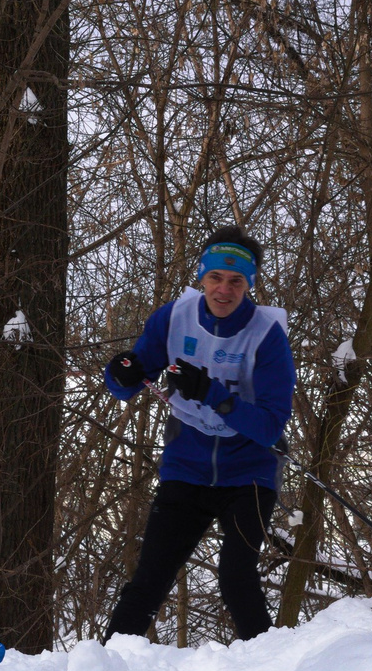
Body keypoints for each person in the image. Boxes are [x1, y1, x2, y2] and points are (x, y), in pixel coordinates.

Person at [99, 227, 296, 643]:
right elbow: (130, 380)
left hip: (249, 473)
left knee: (236, 578)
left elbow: (269, 426)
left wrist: (212, 393)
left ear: (249, 284)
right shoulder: (174, 317)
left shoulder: (267, 335)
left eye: (236, 281)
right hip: (186, 464)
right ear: (202, 278)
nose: (224, 290)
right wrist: (120, 373)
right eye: (216, 279)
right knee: (150, 578)